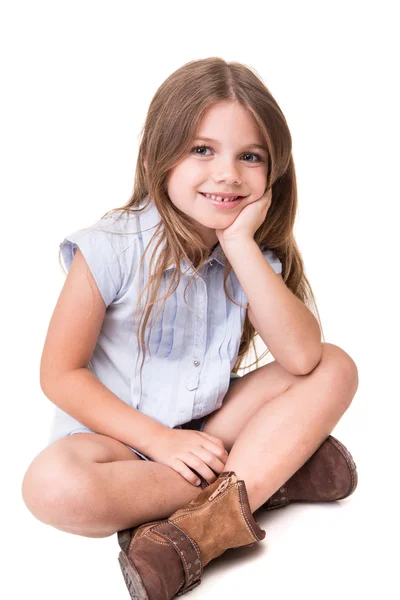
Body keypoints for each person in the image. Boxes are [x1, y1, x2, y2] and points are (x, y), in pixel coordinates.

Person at [21, 57, 359, 599]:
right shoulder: (110, 247)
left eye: (250, 157)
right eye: (203, 150)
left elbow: (301, 358)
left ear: (273, 176)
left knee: (335, 364)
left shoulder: (247, 256)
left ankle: (192, 536)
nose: (227, 173)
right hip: (116, 447)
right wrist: (158, 440)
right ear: (159, 154)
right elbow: (60, 375)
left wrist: (241, 245)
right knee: (51, 487)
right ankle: (269, 475)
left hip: (211, 436)